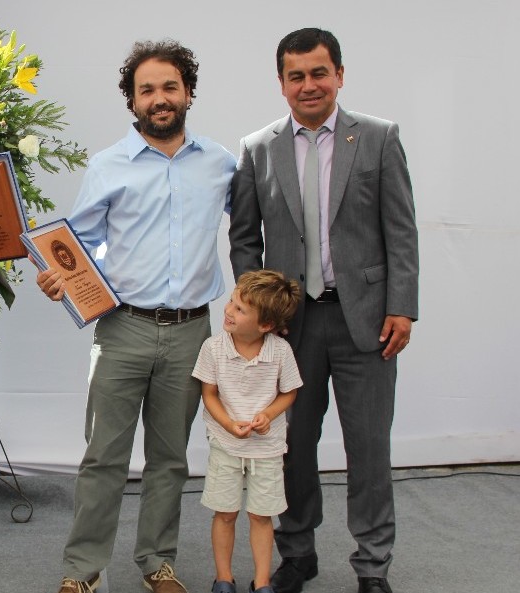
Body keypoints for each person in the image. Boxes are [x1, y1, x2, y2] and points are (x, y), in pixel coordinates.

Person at [36, 40, 236, 593]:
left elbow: (248, 230)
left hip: (193, 331)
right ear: (133, 101)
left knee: (170, 459)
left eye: (170, 86)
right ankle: (83, 571)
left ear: (188, 92)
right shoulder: (107, 166)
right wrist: (59, 277)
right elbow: (75, 245)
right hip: (121, 328)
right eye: (146, 89)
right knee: (103, 456)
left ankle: (157, 561)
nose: (159, 98)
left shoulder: (221, 164)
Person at [229, 28, 419, 593]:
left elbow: (401, 230)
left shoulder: (380, 139)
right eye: (296, 76)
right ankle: (298, 553)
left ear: (339, 74)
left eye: (318, 73)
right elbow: (244, 239)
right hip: (289, 329)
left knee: (369, 449)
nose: (308, 85)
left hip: (368, 322)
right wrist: (257, 314)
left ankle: (372, 565)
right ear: (282, 83)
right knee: (291, 448)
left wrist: (402, 307)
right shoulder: (257, 147)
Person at [191, 270, 303, 593]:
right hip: (226, 446)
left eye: (240, 309)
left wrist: (268, 415)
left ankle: (263, 582)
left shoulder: (280, 352)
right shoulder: (213, 348)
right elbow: (208, 394)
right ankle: (224, 579)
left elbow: (289, 392)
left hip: (266, 450)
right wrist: (228, 425)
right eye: (231, 301)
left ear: (266, 325)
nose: (228, 310)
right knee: (224, 514)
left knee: (261, 516)